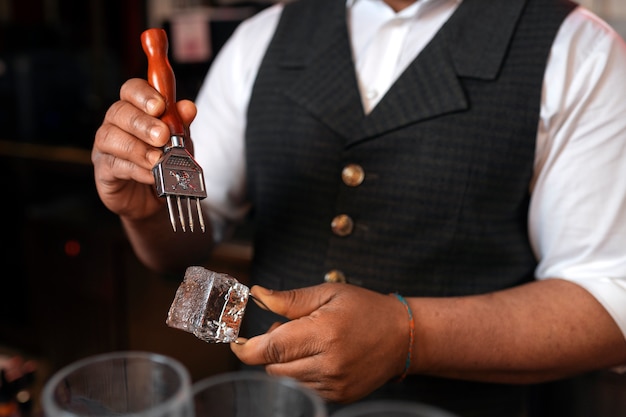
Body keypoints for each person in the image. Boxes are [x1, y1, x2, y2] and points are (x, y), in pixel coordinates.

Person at [92, 0, 626, 415]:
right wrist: (144, 213)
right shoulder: (262, 38)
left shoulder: (580, 51)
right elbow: (183, 247)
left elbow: (611, 300)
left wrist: (409, 334)